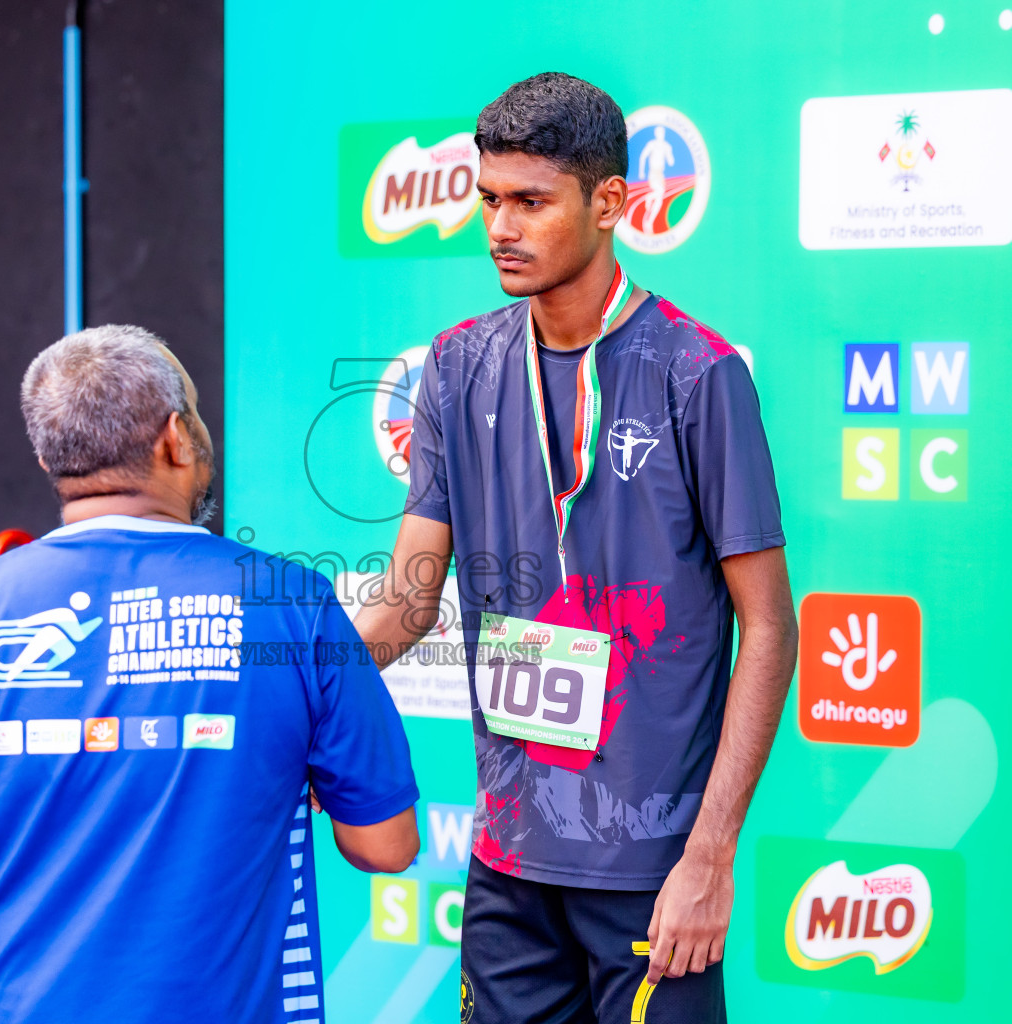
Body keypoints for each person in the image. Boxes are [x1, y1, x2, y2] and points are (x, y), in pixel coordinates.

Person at [0, 325, 420, 1024]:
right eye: (197, 412)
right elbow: (384, 845)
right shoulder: (296, 605)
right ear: (175, 437)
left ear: (48, 455)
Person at [353, 73, 797, 1023]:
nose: (500, 228)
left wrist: (711, 855)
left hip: (653, 867)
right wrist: (284, 689)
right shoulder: (456, 363)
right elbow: (408, 599)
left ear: (610, 203)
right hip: (509, 862)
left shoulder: (699, 372)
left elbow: (768, 626)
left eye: (530, 202)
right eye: (489, 201)